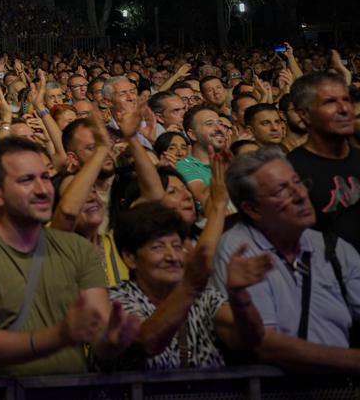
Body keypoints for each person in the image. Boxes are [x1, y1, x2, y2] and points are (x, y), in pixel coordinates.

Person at [0, 136, 139, 376]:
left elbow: (99, 336)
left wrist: (115, 340)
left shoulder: (78, 249)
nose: (42, 190)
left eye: (45, 178)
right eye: (27, 180)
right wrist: (59, 336)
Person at [212, 146, 360, 373]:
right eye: (282, 190)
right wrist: (352, 361)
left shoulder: (334, 249)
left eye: (298, 183)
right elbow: (265, 344)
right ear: (252, 209)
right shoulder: (239, 251)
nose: (301, 196)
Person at [104, 197, 268, 370]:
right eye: (157, 247)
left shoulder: (204, 297)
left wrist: (239, 295)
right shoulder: (115, 300)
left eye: (176, 246)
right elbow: (146, 342)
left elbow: (251, 340)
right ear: (130, 258)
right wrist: (189, 287)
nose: (172, 257)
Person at [285, 72, 360, 251]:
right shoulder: (290, 173)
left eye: (346, 100)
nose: (344, 109)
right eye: (330, 102)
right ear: (305, 114)